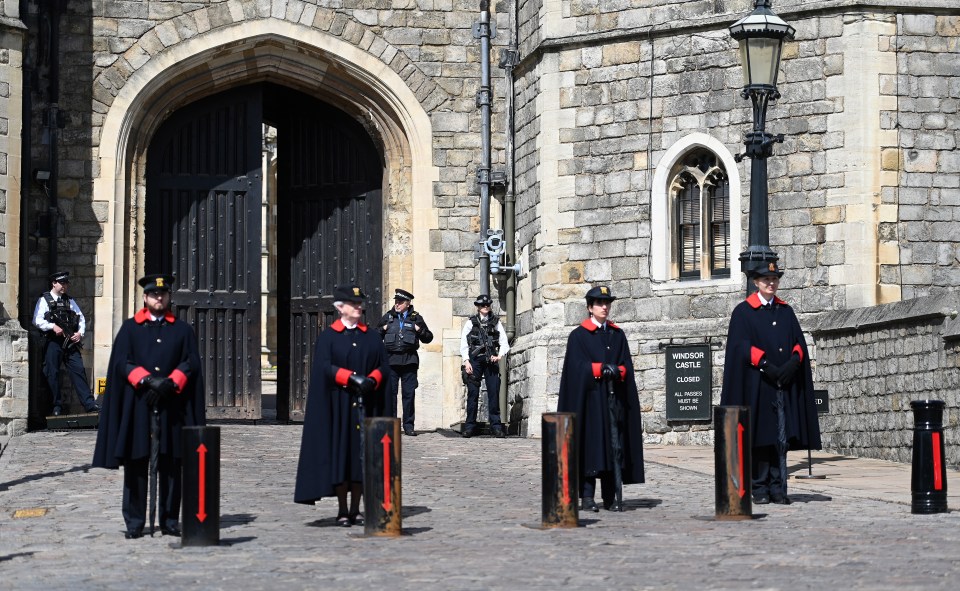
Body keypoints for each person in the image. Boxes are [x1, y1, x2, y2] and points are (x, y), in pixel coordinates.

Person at [92, 274, 206, 539]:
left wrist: (171, 381)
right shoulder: (130, 328)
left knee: (170, 463)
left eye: (163, 294)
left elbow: (191, 362)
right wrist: (145, 379)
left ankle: (168, 519)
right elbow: (121, 362)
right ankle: (134, 521)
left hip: (172, 406)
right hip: (140, 406)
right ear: (145, 297)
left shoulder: (182, 329)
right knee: (136, 463)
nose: (159, 298)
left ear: (168, 297)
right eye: (154, 294)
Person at [720, 261, 822, 505]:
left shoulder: (785, 311)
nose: (771, 283)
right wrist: (765, 364)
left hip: (782, 385)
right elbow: (740, 346)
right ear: (756, 282)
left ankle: (779, 488)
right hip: (759, 385)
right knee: (761, 439)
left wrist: (793, 363)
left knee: (781, 438)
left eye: (774, 279)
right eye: (766, 279)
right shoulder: (744, 311)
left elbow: (798, 342)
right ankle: (760, 487)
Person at [295, 284, 389, 527]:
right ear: (340, 308)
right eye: (353, 304)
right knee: (342, 457)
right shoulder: (329, 337)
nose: (358, 308)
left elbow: (383, 365)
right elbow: (324, 368)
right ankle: (342, 509)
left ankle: (357, 509)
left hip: (365, 405)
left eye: (360, 304)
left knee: (360, 459)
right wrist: (349, 377)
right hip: (339, 406)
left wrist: (372, 380)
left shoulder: (371, 336)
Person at [557, 285, 645, 512]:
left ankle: (610, 496)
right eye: (599, 303)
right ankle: (587, 497)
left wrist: (619, 371)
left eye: (607, 303)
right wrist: (597, 369)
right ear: (590, 307)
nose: (604, 307)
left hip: (612, 400)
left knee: (613, 447)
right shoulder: (579, 336)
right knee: (590, 447)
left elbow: (626, 365)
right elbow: (575, 368)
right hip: (590, 401)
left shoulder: (617, 334)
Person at [33, 271, 100, 415]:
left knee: (78, 371)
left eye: (66, 283)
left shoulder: (69, 301)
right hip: (53, 341)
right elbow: (37, 320)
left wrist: (79, 333)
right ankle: (56, 406)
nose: (65, 286)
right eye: (62, 283)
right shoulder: (44, 300)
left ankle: (89, 405)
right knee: (51, 373)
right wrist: (52, 326)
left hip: (69, 342)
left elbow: (80, 318)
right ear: (54, 283)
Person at [378, 288, 434, 436]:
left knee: (408, 395)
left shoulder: (416, 318)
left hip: (409, 362)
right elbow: (375, 336)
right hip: (391, 362)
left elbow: (428, 338)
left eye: (400, 302)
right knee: (390, 395)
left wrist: (419, 330)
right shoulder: (388, 317)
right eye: (396, 302)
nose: (397, 304)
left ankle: (408, 426)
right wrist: (382, 329)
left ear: (408, 304)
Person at [459, 294, 510, 438]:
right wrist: (466, 361)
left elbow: (504, 342)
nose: (485, 307)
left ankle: (496, 427)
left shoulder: (496, 322)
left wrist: (499, 355)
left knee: (494, 393)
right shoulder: (471, 322)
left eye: (487, 305)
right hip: (475, 360)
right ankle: (470, 426)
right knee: (473, 393)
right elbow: (464, 343)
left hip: (491, 360)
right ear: (478, 307)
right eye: (482, 305)